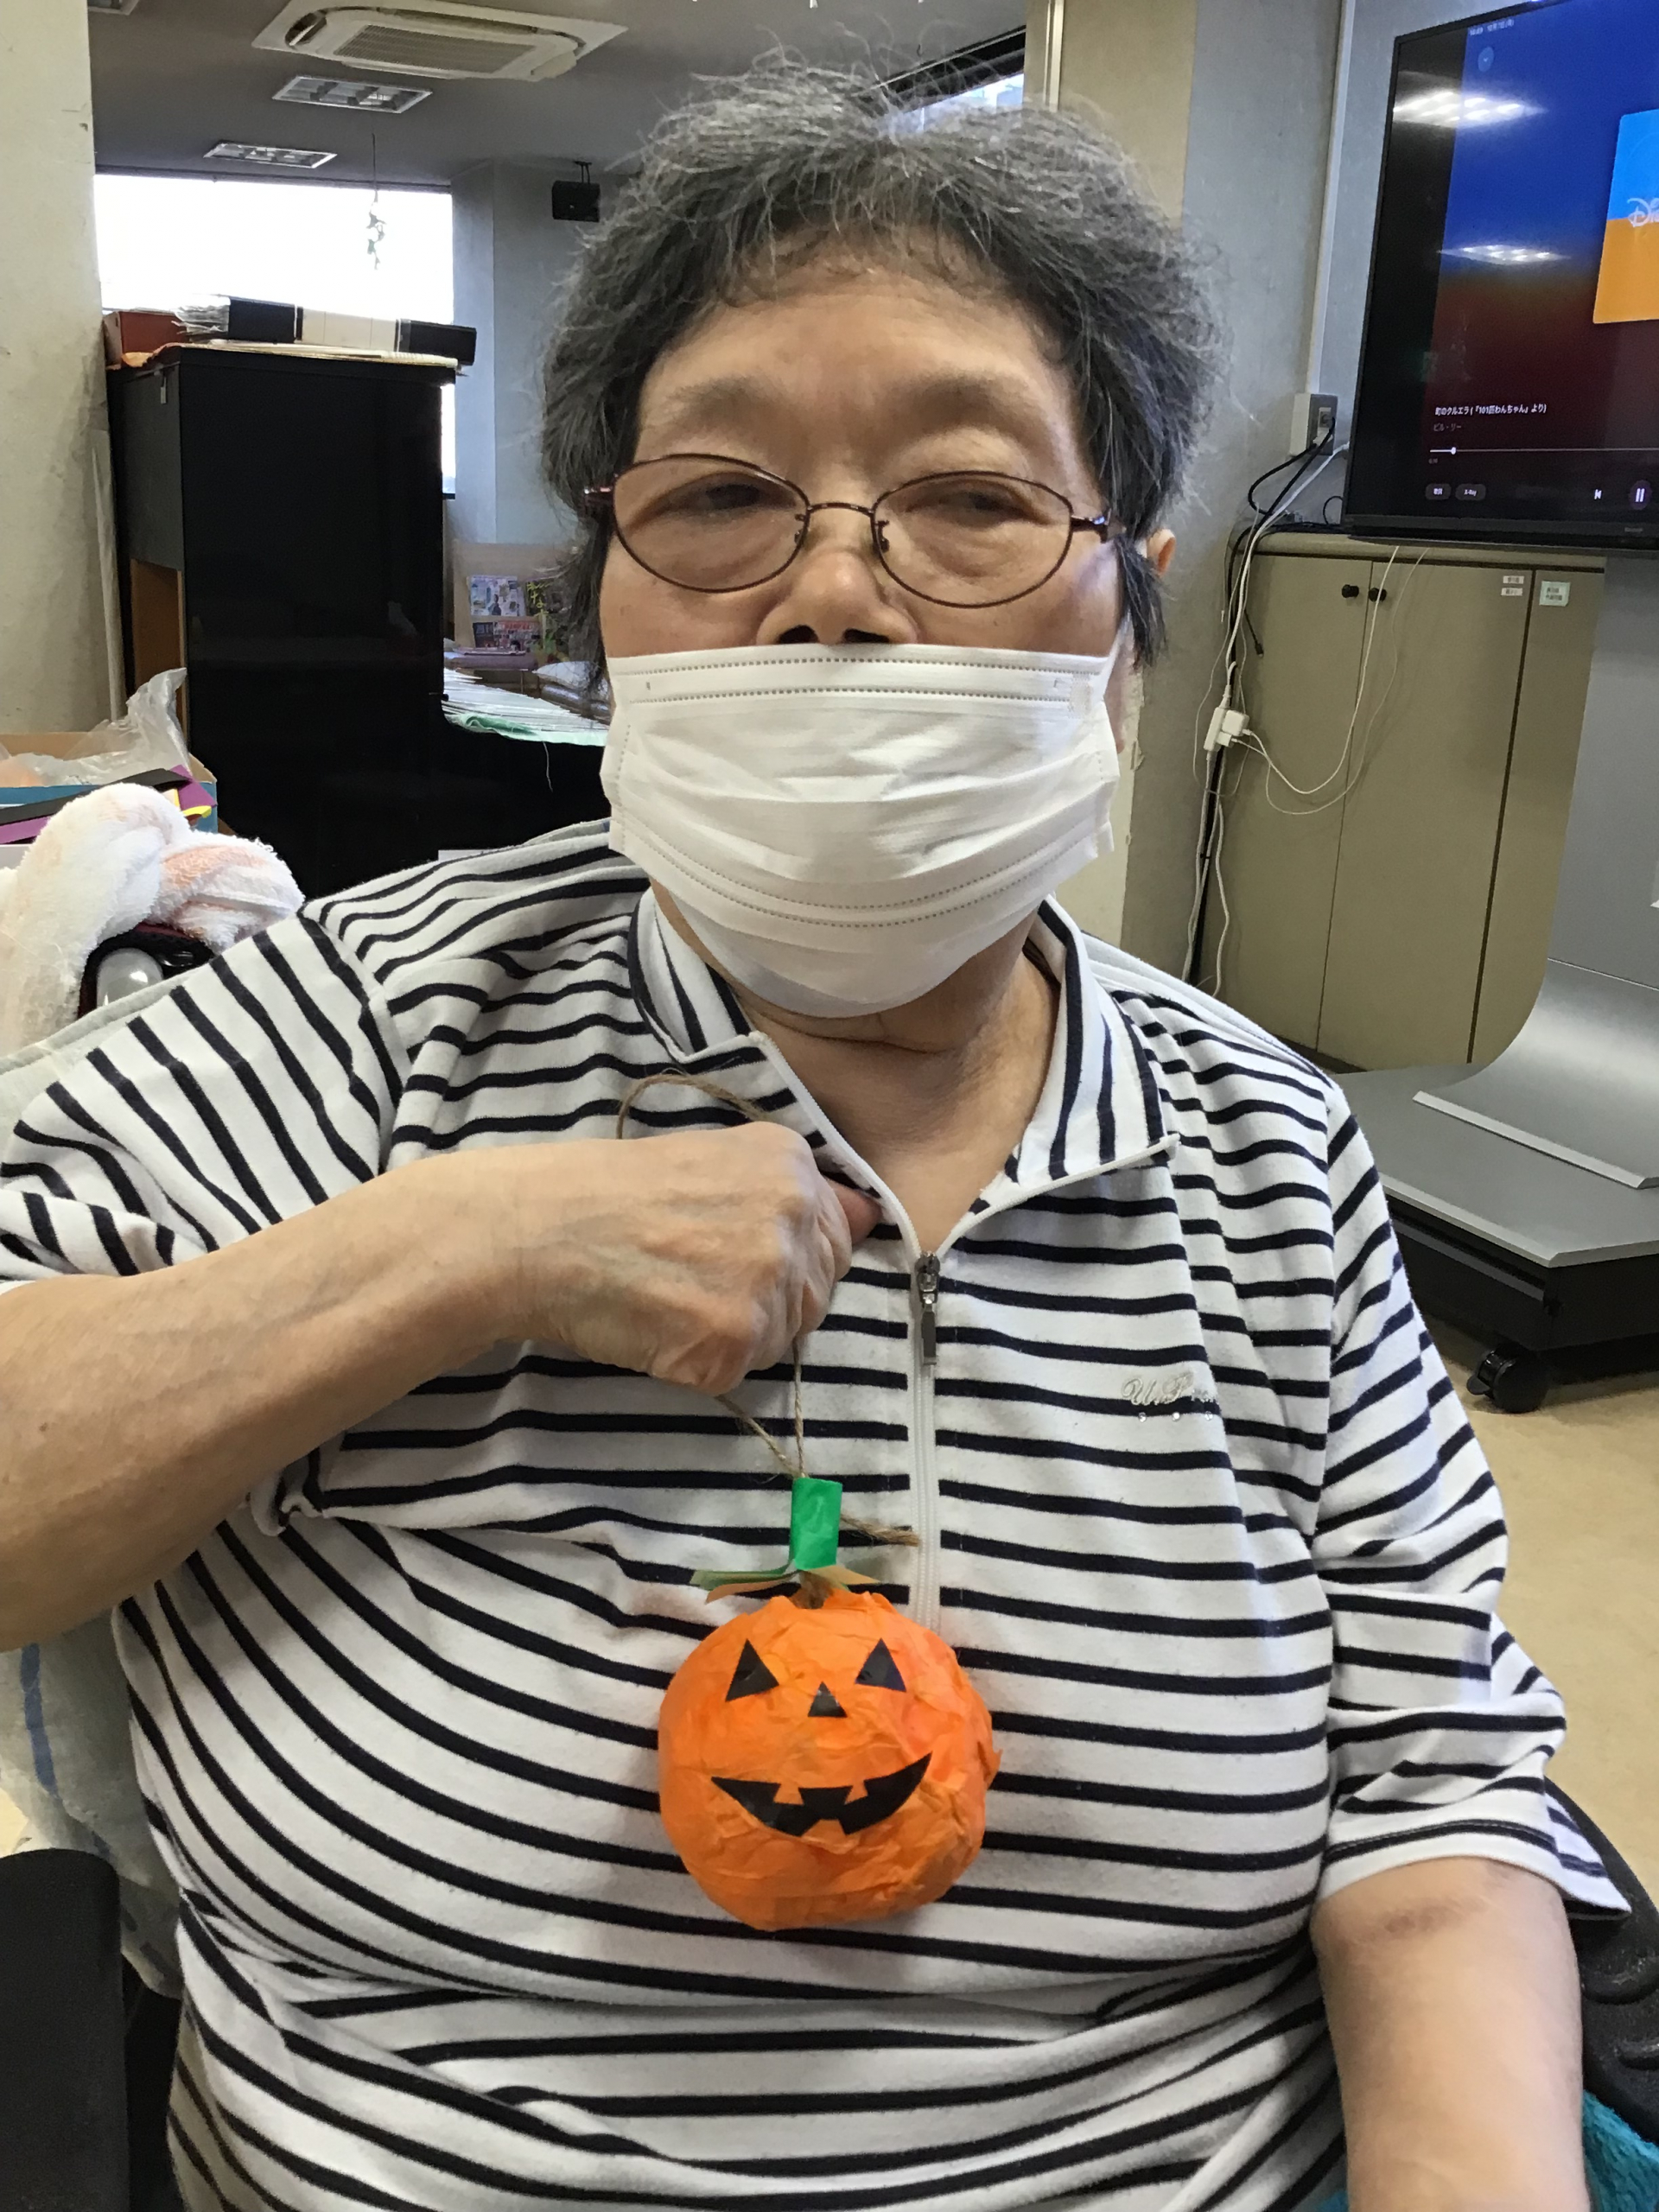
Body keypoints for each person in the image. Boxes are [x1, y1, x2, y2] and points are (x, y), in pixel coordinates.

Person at [0, 64, 1620, 2212]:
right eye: (721, 496)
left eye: (972, 496)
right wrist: (449, 1248)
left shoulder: (1264, 1146)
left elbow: (1436, 1808)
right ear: (602, 597)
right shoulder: (351, 1030)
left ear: (1131, 616)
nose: (837, 594)